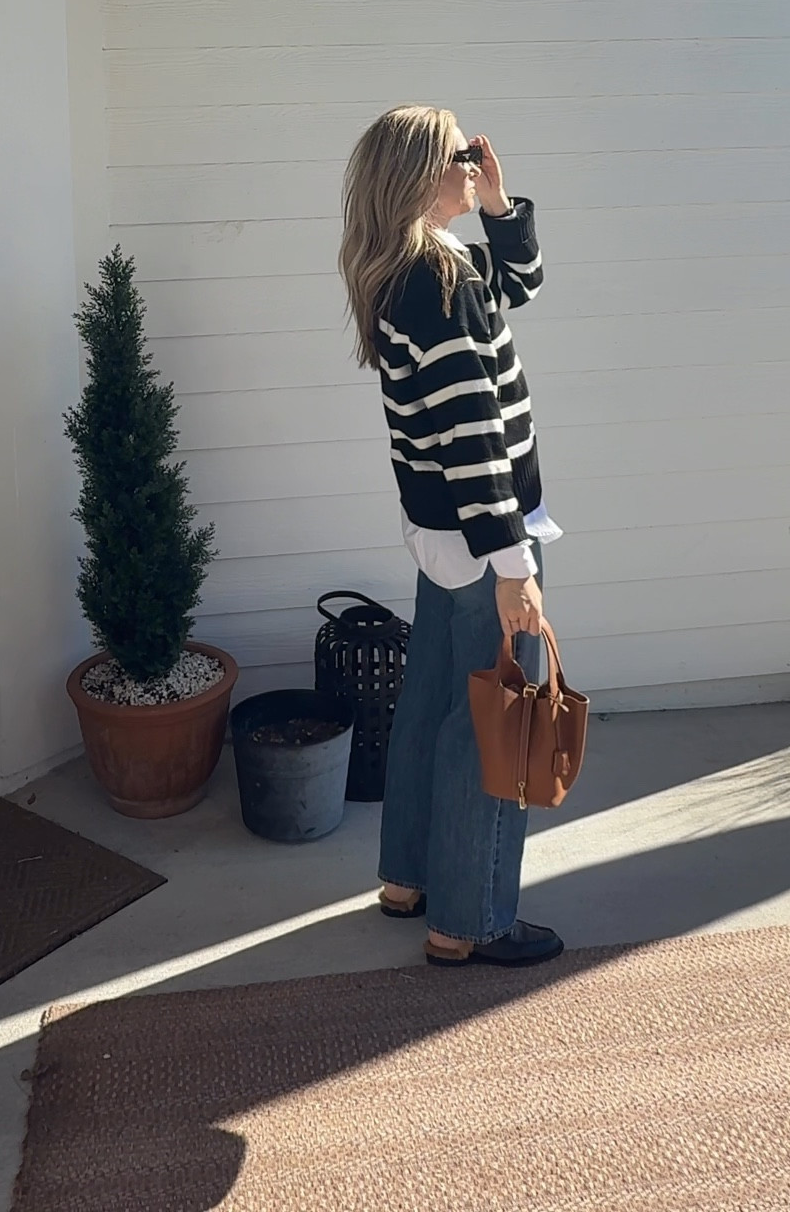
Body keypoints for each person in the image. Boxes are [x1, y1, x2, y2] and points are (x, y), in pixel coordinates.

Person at [338, 105, 564, 967]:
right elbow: (473, 435)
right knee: (492, 725)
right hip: (484, 541)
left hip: (443, 537)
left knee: (434, 702)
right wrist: (514, 567)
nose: (473, 164)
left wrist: (499, 206)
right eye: (459, 156)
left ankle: (408, 880)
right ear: (418, 176)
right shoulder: (440, 283)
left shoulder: (414, 268)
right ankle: (470, 921)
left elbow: (524, 284)